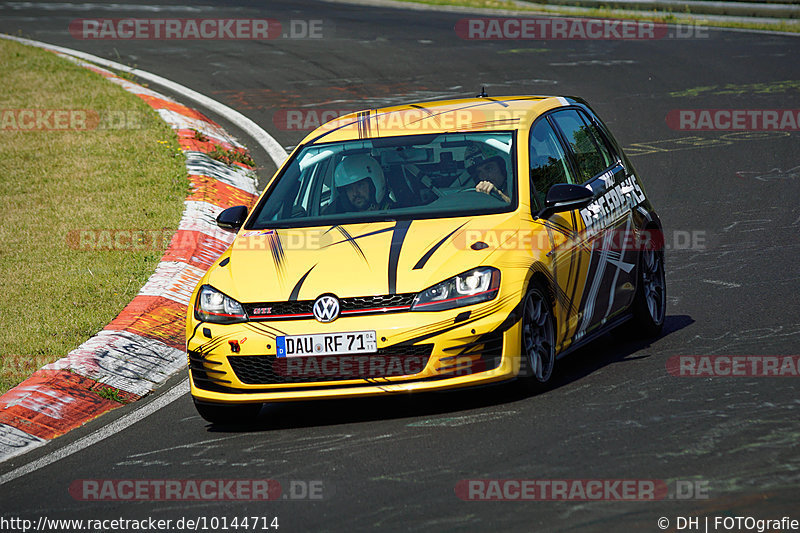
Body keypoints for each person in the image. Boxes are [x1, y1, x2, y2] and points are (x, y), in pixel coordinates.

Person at [327, 154, 393, 213]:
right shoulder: (335, 219)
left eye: (360, 185)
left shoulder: (395, 214)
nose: (355, 193)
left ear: (374, 184)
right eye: (349, 189)